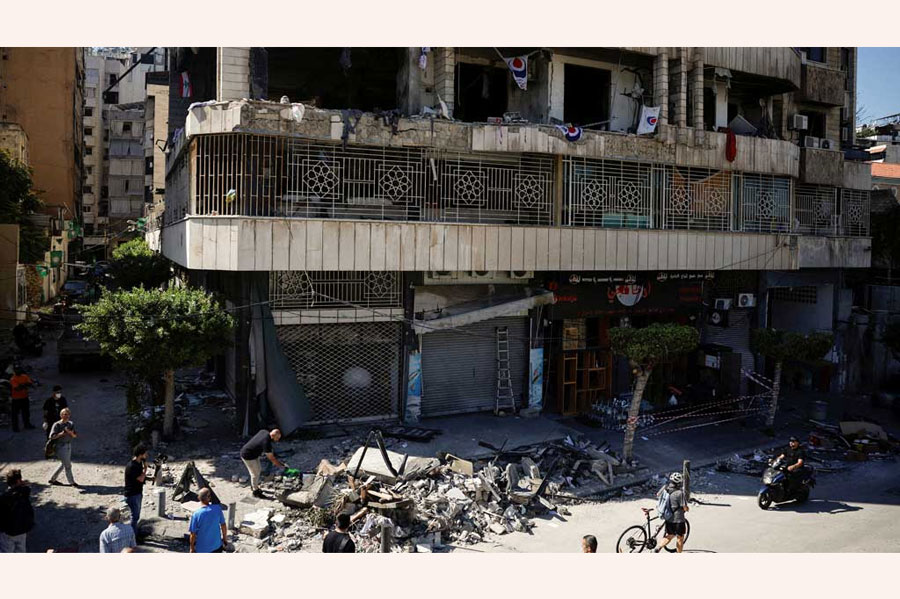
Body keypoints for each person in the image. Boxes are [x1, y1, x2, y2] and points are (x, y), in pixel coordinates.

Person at [240, 428, 286, 498]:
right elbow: (271, 459)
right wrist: (281, 466)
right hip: (247, 455)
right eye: (277, 438)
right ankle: (255, 491)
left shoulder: (264, 431)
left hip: (253, 453)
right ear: (273, 435)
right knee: (255, 473)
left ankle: (254, 486)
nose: (277, 440)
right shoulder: (266, 442)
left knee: (258, 469)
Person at [0, 469, 34, 553]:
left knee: (7, 551)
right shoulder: (24, 493)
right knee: (21, 550)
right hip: (22, 529)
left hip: (8, 532)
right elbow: (27, 487)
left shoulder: (4, 497)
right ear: (19, 481)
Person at [655, 472, 689, 553]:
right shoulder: (679, 493)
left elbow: (657, 495)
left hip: (668, 517)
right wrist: (687, 509)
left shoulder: (665, 488)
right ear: (679, 483)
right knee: (680, 538)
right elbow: (684, 507)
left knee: (669, 535)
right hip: (678, 519)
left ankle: (658, 548)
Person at [189, 487, 227, 553]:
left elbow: (193, 534)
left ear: (199, 498)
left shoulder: (196, 515)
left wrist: (192, 548)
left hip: (202, 549)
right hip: (217, 546)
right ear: (209, 498)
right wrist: (224, 539)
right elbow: (223, 525)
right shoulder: (217, 509)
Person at [48, 408, 79, 487]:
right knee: (68, 465)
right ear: (61, 415)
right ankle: (72, 482)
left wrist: (70, 432)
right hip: (60, 446)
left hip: (68, 445)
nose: (66, 416)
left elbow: (74, 435)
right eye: (65, 414)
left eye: (68, 414)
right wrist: (62, 433)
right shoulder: (57, 424)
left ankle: (52, 479)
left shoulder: (71, 424)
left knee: (63, 464)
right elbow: (52, 437)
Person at [124, 444, 149, 538]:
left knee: (136, 516)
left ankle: (134, 533)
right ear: (140, 454)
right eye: (145, 453)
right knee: (134, 517)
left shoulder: (139, 463)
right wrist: (145, 469)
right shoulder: (132, 466)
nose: (146, 454)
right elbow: (140, 479)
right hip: (133, 494)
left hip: (137, 492)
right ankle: (133, 537)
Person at [9, 366, 35, 431]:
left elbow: (29, 384)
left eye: (19, 369)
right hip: (16, 399)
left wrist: (22, 385)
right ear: (14, 370)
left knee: (26, 412)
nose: (18, 371)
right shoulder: (13, 379)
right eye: (16, 369)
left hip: (24, 397)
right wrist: (24, 385)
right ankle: (15, 427)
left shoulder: (24, 376)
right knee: (15, 414)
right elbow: (17, 388)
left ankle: (27, 424)